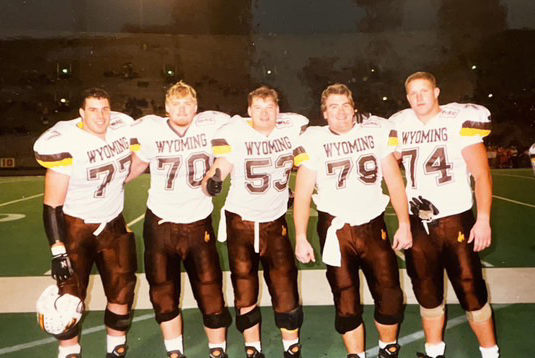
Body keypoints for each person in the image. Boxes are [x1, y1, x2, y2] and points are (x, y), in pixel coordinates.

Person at [293, 83, 412, 358]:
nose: (341, 112)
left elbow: (395, 181)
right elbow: (301, 194)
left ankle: (388, 348)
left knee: (390, 293)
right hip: (336, 229)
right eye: (333, 107)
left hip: (372, 224)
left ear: (354, 108)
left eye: (346, 105)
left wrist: (404, 223)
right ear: (324, 113)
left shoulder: (375, 133)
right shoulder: (313, 139)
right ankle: (355, 355)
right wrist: (301, 236)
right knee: (345, 298)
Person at [390, 72, 499, 358]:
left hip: (454, 219)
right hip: (418, 223)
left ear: (437, 92)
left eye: (424, 91)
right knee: (426, 291)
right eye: (413, 93)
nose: (418, 98)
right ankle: (434, 351)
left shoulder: (457, 120)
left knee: (471, 291)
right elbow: (389, 166)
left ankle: (490, 353)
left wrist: (483, 218)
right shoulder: (400, 125)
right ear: (407, 98)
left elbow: (481, 175)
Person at [127, 81, 232, 358]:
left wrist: (217, 174)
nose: (182, 109)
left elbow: (232, 151)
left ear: (196, 107)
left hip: (198, 222)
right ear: (167, 107)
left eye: (187, 104)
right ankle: (174, 351)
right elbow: (136, 164)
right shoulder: (152, 130)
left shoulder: (212, 126)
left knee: (210, 289)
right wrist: (113, 181)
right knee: (163, 290)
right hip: (161, 223)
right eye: (176, 104)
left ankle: (217, 349)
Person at [201, 86, 308, 358]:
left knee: (285, 286)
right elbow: (220, 165)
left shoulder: (291, 128)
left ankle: (290, 346)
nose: (264, 113)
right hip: (242, 221)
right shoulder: (236, 132)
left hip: (274, 220)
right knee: (245, 286)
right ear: (248, 111)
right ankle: (253, 347)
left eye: (269, 108)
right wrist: (211, 182)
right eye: (258, 108)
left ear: (277, 110)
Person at [33, 88, 137, 358]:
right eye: (93, 109)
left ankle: (115, 348)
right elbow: (52, 205)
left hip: (113, 223)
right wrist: (57, 249)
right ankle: (69, 352)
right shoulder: (67, 141)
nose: (100, 115)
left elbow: (134, 163)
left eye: (104, 108)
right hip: (77, 228)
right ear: (81, 113)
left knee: (122, 291)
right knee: (69, 297)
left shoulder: (121, 129)